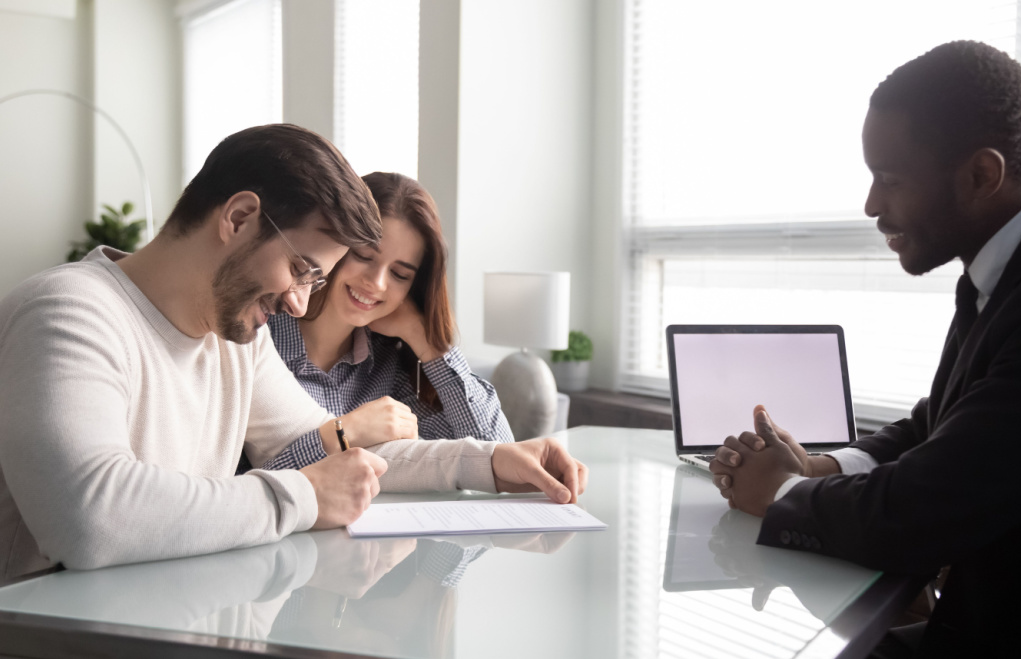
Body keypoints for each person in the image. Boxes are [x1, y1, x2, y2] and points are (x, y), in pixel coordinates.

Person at [0, 123, 587, 581]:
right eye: (301, 269)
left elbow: (344, 448)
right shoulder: (69, 313)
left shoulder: (233, 340)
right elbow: (88, 518)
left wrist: (486, 462)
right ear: (238, 217)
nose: (301, 305)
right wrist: (303, 495)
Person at [708, 41, 1021, 658]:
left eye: (890, 180)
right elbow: (941, 423)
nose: (871, 205)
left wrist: (781, 492)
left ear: (981, 175)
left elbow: (921, 511)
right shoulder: (1016, 269)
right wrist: (820, 468)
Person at [253, 171, 512, 473]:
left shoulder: (391, 368)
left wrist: (427, 341)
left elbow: (498, 453)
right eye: (364, 256)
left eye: (399, 275)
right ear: (336, 246)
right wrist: (345, 433)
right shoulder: (256, 339)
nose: (376, 283)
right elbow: (242, 486)